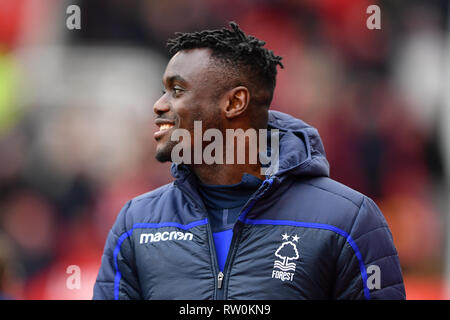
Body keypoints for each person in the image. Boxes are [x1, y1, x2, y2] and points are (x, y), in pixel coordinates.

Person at [93, 22, 405, 300]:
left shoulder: (347, 221)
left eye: (176, 90)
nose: (159, 105)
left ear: (234, 102)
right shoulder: (137, 223)